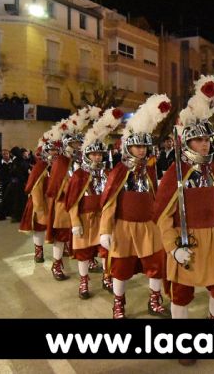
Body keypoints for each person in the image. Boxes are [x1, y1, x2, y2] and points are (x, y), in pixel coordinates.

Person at [155, 75, 214, 366]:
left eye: (207, 139)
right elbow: (162, 216)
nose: (205, 144)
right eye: (199, 139)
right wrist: (172, 248)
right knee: (181, 294)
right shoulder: (174, 173)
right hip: (186, 242)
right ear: (186, 141)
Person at [99, 95, 171, 319]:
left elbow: (155, 198)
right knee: (121, 269)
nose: (141, 150)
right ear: (129, 146)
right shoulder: (119, 171)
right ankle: (118, 304)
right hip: (124, 228)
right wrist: (105, 231)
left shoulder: (150, 169)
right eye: (137, 146)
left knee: (156, 265)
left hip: (149, 227)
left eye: (144, 146)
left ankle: (154, 300)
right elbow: (109, 203)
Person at [67, 108, 123, 299]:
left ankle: (107, 276)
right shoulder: (79, 175)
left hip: (102, 219)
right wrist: (75, 222)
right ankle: (84, 281)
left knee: (106, 250)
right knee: (83, 253)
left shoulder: (108, 173)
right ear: (87, 155)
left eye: (100, 154)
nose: (97, 157)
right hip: (84, 218)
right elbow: (72, 201)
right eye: (94, 154)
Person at [45, 107, 99, 280]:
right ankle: (56, 264)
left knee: (85, 235)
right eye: (73, 144)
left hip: (82, 205)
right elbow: (55, 186)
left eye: (78, 144)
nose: (76, 147)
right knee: (61, 236)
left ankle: (89, 258)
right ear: (66, 145)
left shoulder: (82, 162)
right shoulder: (60, 162)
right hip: (63, 205)